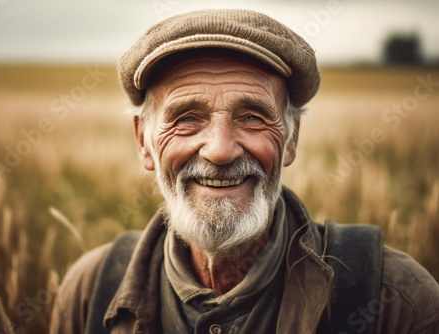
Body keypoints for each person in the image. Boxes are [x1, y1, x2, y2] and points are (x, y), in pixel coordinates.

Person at [50, 9, 439, 334]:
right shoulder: (89, 291)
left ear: (291, 139)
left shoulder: (396, 300)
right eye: (187, 118)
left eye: (253, 117)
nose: (220, 151)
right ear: (143, 142)